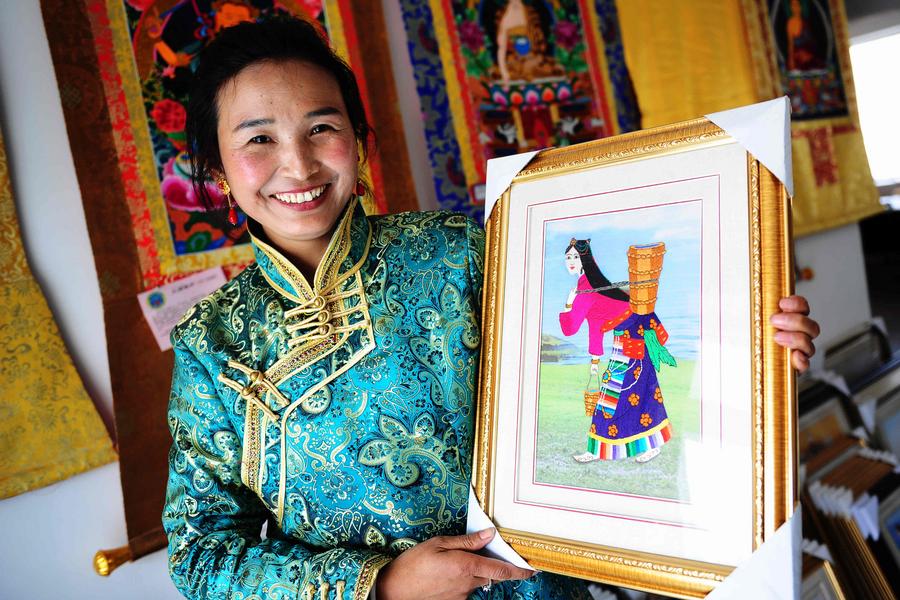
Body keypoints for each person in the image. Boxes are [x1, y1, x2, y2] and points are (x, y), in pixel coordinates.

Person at [162, 17, 821, 600]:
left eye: (322, 127)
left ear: (358, 142)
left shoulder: (463, 248)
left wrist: (745, 340)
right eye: (258, 139)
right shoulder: (209, 344)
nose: (298, 163)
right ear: (217, 169)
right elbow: (201, 558)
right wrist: (380, 584)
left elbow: (597, 338)